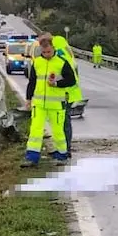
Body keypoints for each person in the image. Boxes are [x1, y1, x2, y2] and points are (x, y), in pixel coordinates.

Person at [21, 36, 77, 168]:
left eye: (49, 52)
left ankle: (62, 156)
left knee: (58, 132)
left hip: (56, 105)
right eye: (44, 52)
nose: (46, 55)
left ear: (53, 49)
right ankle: (32, 158)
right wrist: (28, 99)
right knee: (35, 131)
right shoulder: (37, 63)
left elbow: (71, 80)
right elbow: (32, 82)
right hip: (39, 105)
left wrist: (57, 84)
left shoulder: (62, 63)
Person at [50, 34, 83, 158]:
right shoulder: (68, 55)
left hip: (64, 93)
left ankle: (65, 149)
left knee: (63, 122)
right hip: (68, 93)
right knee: (62, 122)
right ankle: (63, 148)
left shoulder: (59, 57)